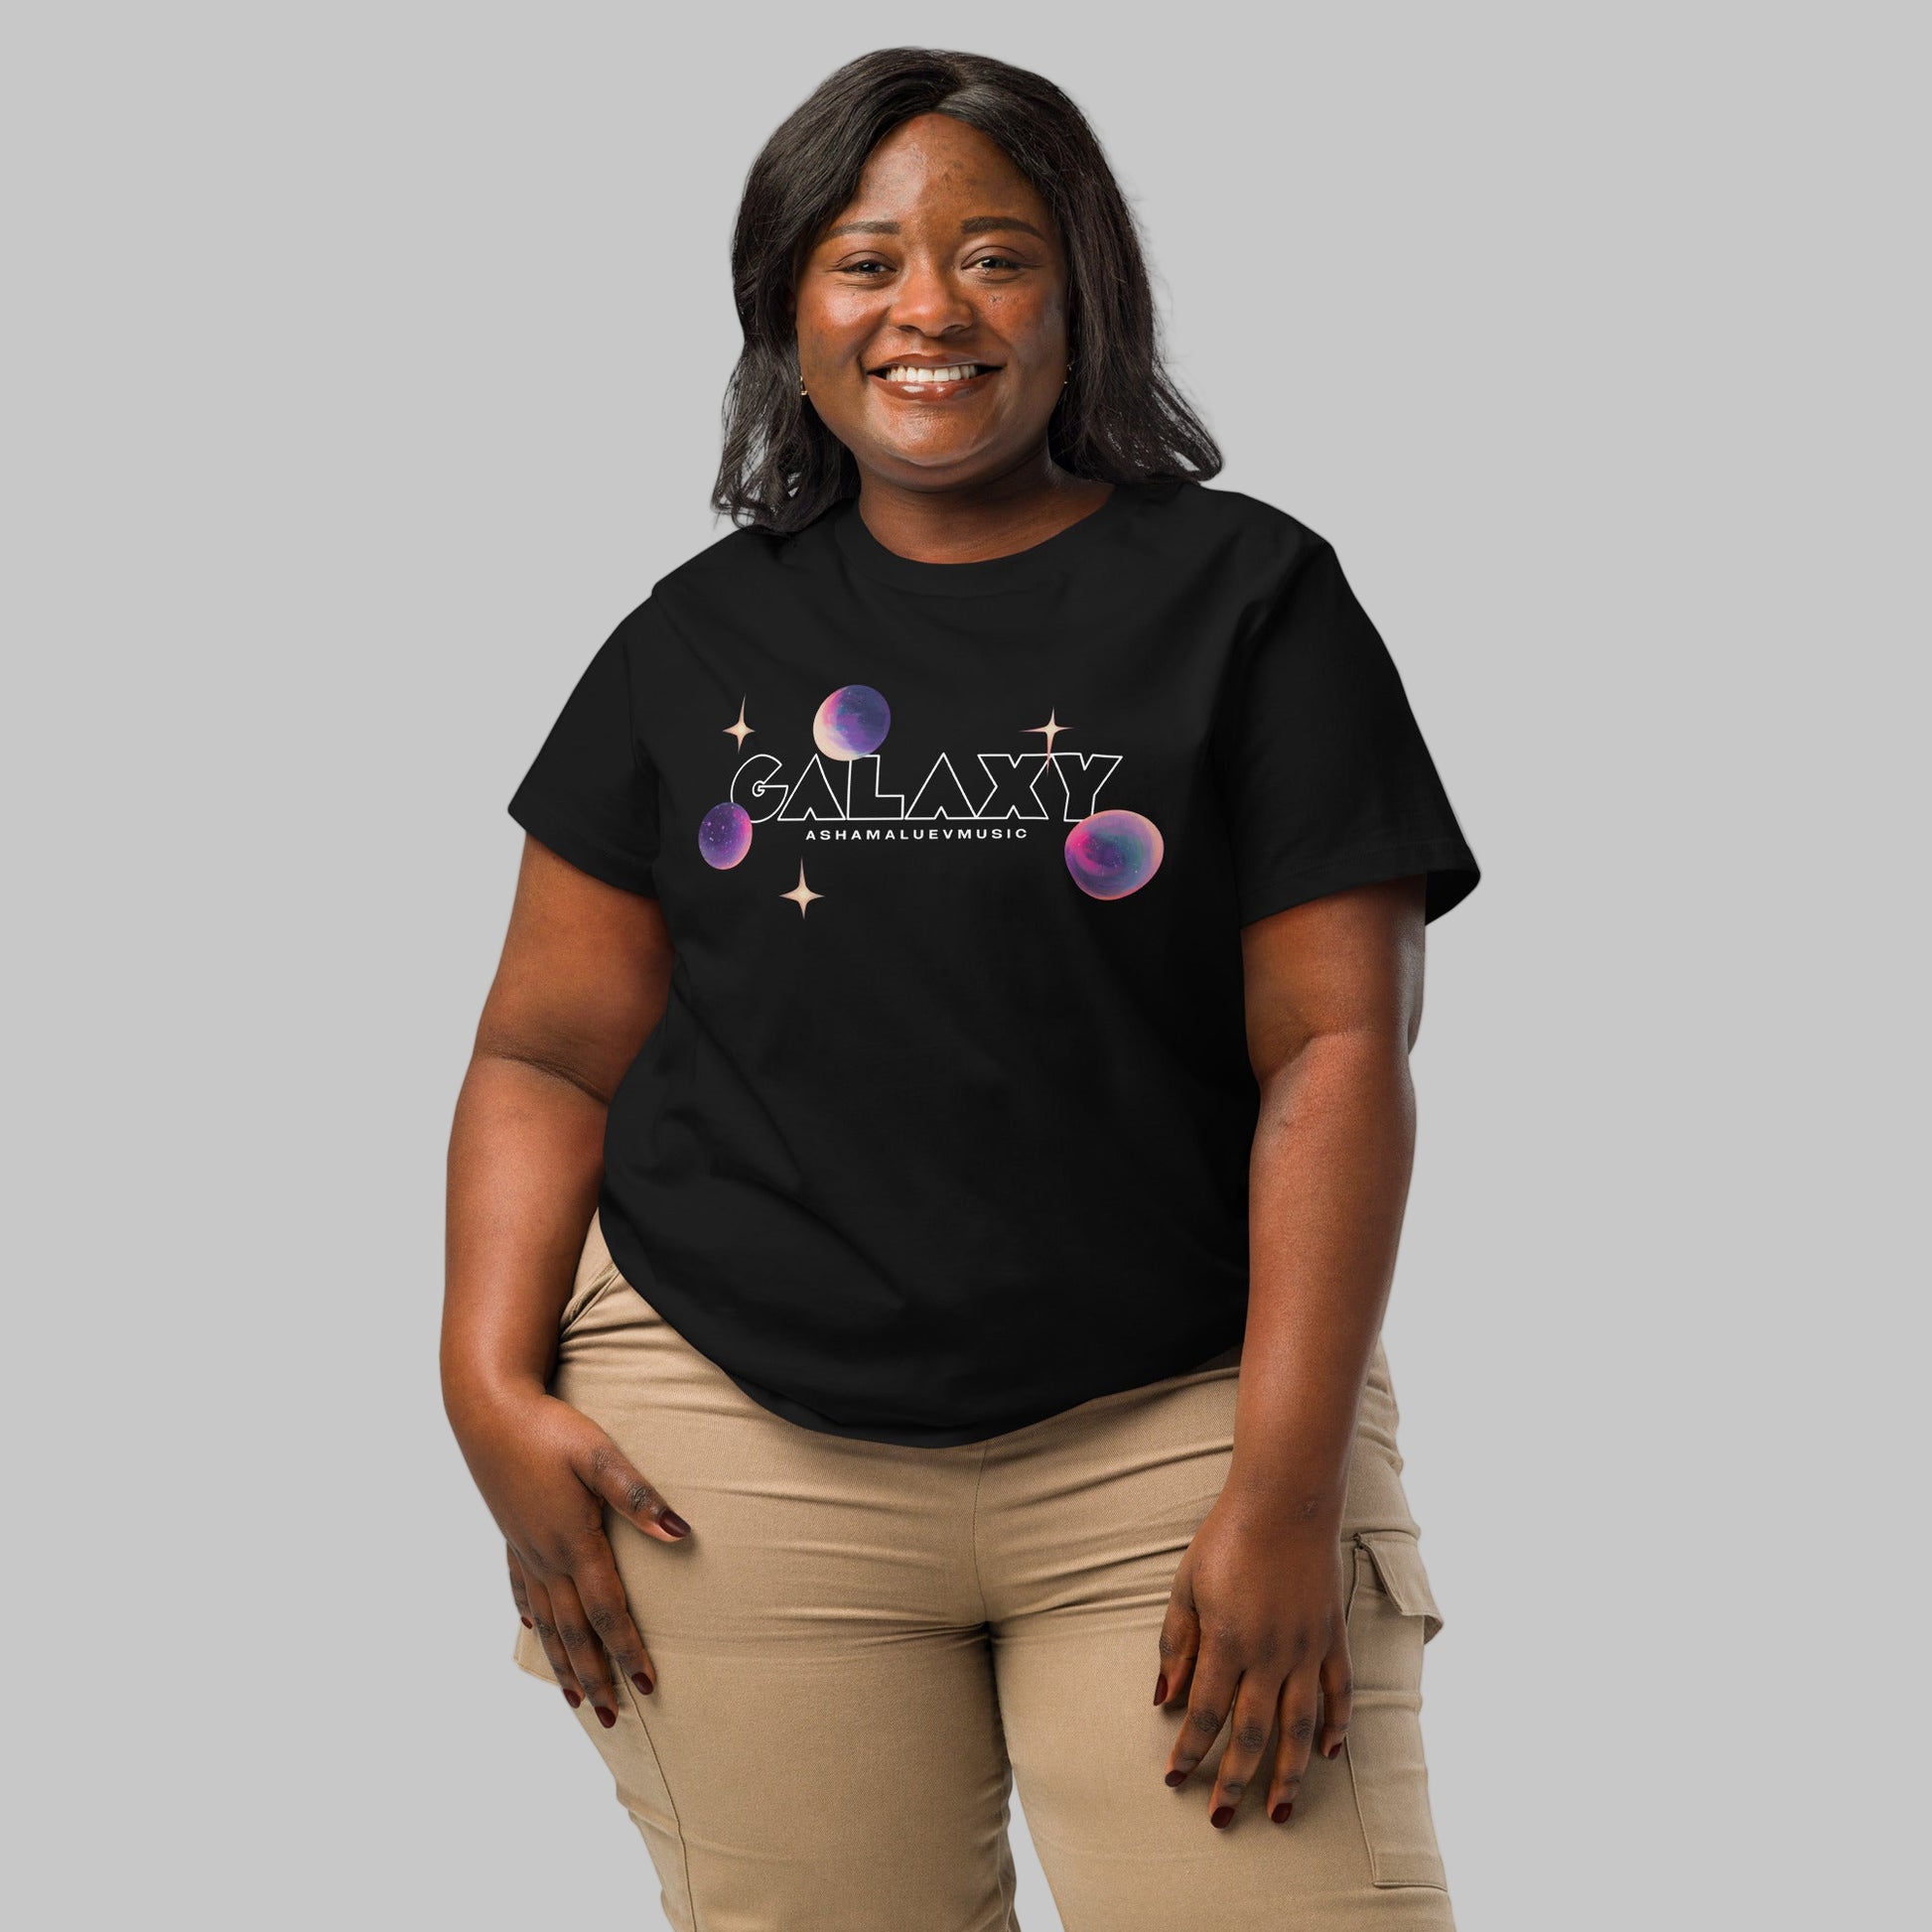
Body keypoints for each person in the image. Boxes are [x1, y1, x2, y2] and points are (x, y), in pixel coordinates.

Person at [442, 45, 1480, 1932]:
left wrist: (1282, 1486)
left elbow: (1337, 1045)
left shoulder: (1252, 602)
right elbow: (543, 1047)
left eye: (994, 256)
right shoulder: (694, 640)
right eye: (863, 259)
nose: (929, 309)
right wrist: (480, 1376)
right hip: (731, 1453)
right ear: (786, 308)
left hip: (1179, 1424)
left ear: (1082, 292)